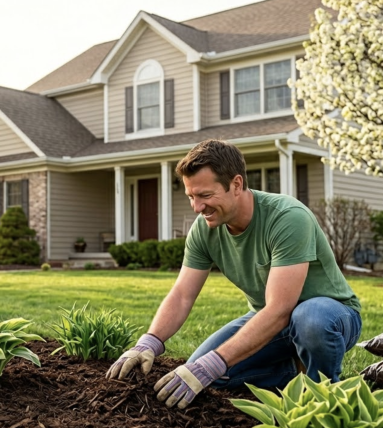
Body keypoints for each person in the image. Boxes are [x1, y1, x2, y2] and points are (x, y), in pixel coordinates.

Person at [106, 139, 362, 409]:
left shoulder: (287, 217)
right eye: (191, 197)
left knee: (309, 318)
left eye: (205, 196)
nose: (197, 207)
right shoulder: (205, 229)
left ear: (236, 185)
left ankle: (323, 393)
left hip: (331, 316)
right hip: (272, 322)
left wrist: (217, 360)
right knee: (205, 374)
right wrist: (150, 342)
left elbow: (280, 309)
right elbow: (182, 294)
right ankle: (290, 369)